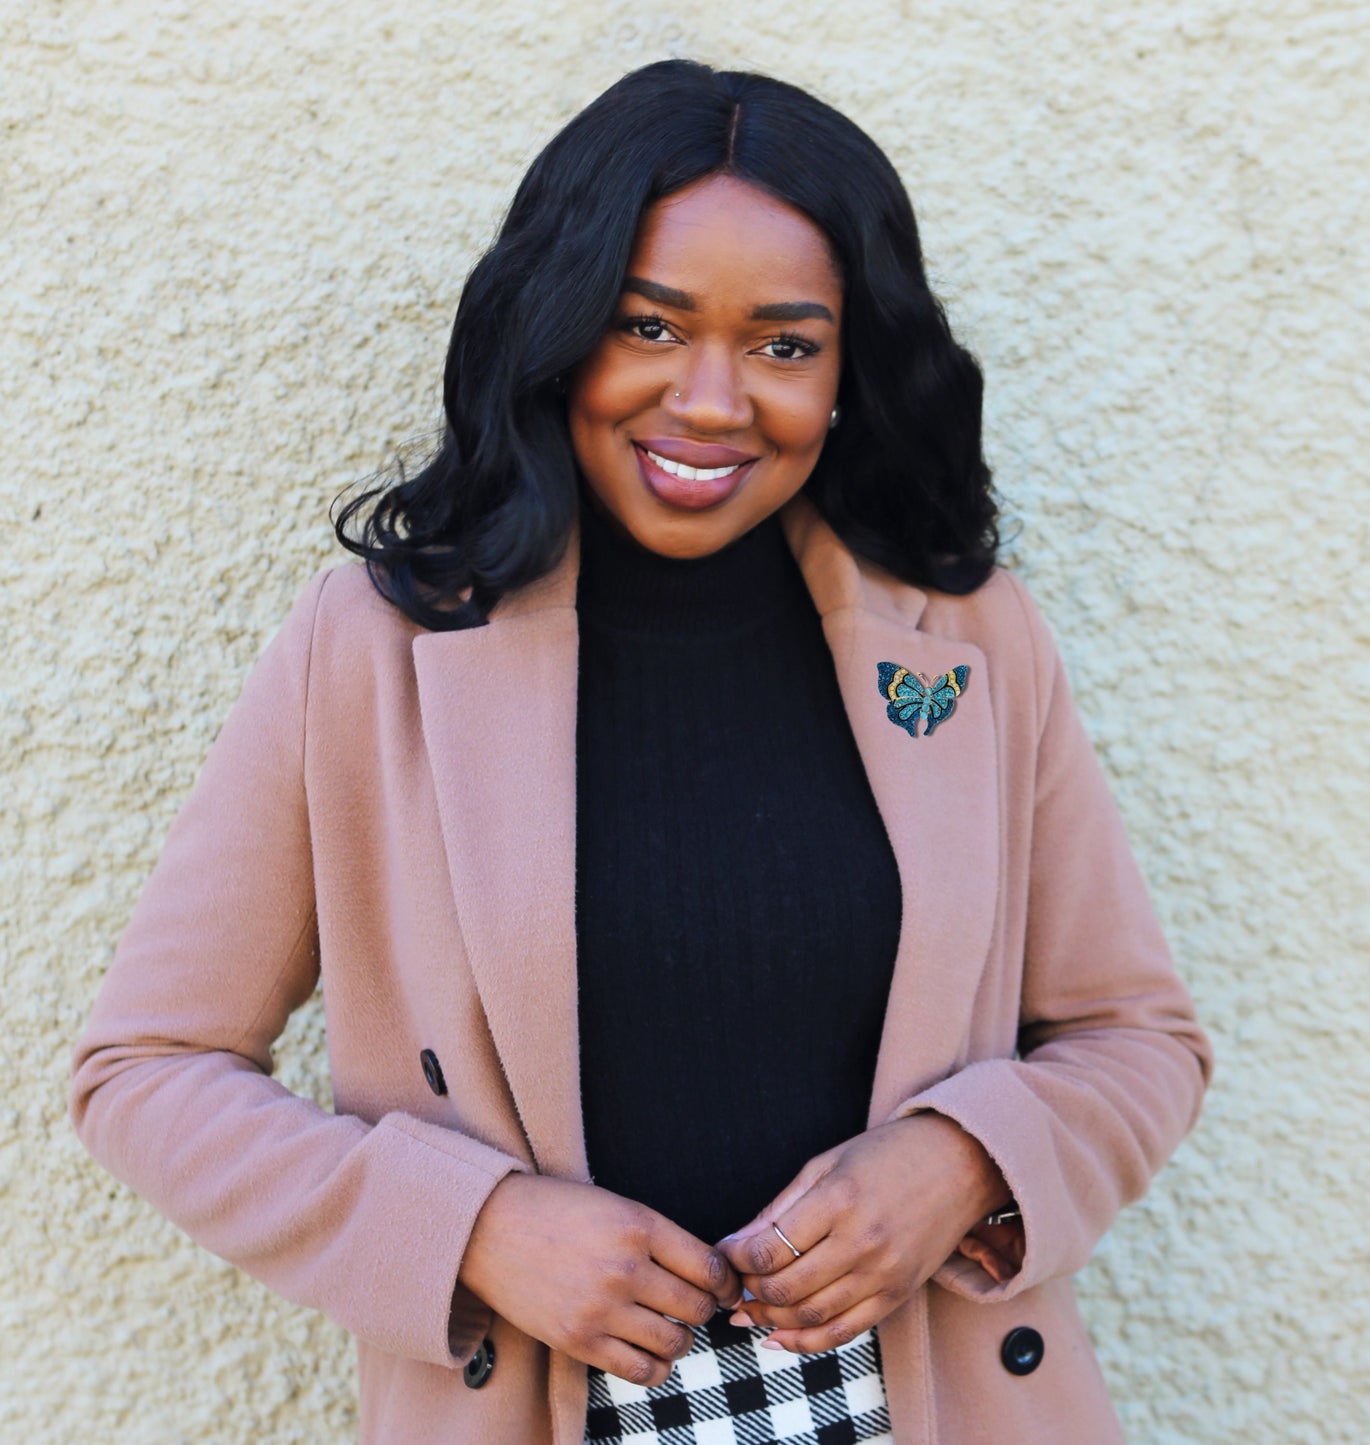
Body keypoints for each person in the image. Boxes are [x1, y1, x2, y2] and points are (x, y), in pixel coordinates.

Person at [70, 58, 1212, 1444]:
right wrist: (473, 1227)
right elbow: (147, 1067)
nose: (712, 400)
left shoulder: (962, 635)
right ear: (555, 336)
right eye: (647, 326)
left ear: (853, 370)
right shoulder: (375, 648)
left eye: (785, 344)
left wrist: (965, 1162)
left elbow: (1132, 1037)